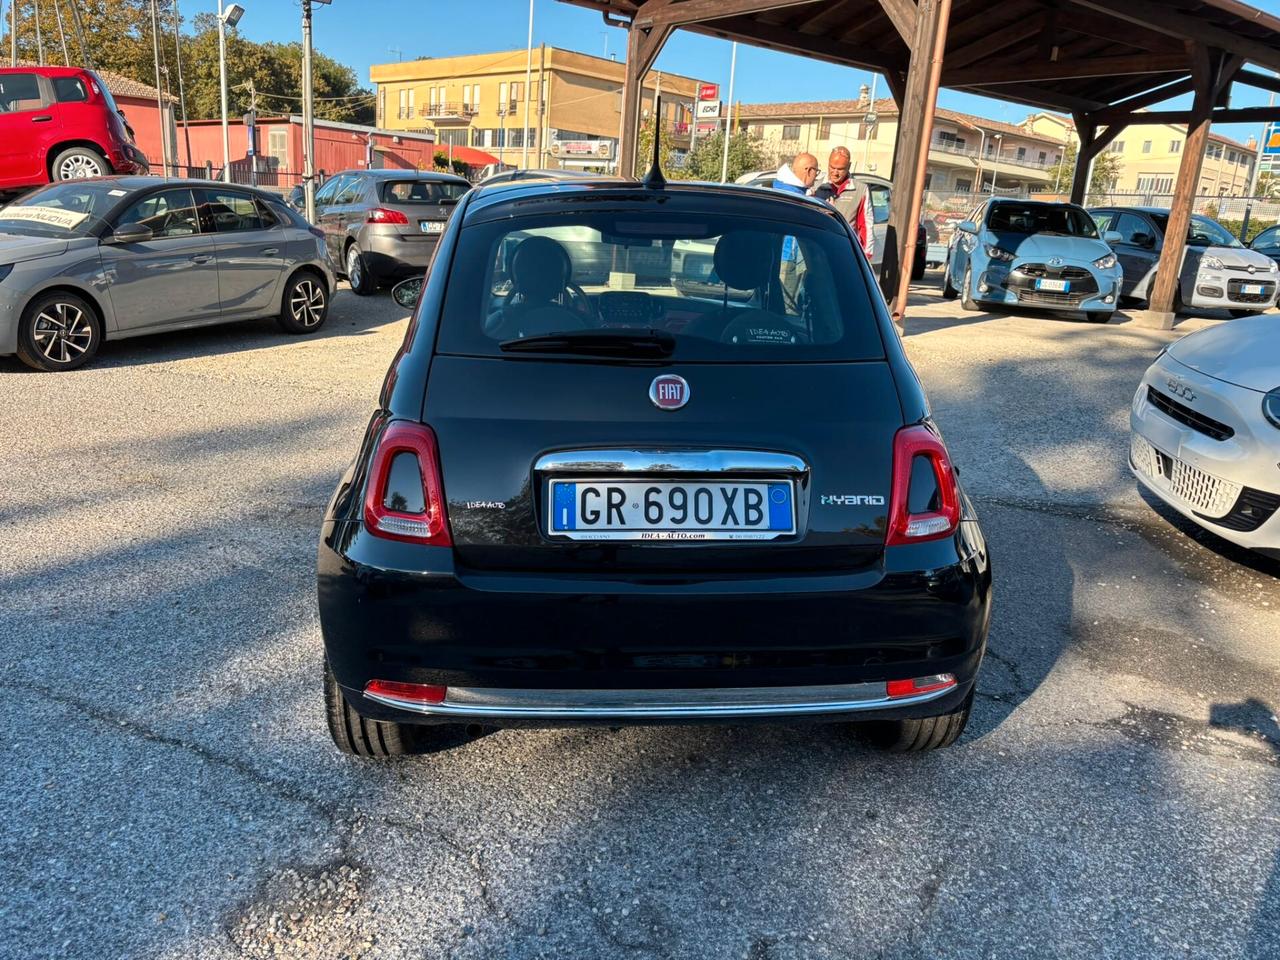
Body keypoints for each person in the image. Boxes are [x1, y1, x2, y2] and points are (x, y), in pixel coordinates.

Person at [813, 146, 873, 263]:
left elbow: (866, 225)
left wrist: (866, 257)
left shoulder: (860, 190)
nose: (835, 173)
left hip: (846, 250)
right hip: (817, 250)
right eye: (832, 167)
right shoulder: (815, 187)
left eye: (840, 169)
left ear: (849, 166)